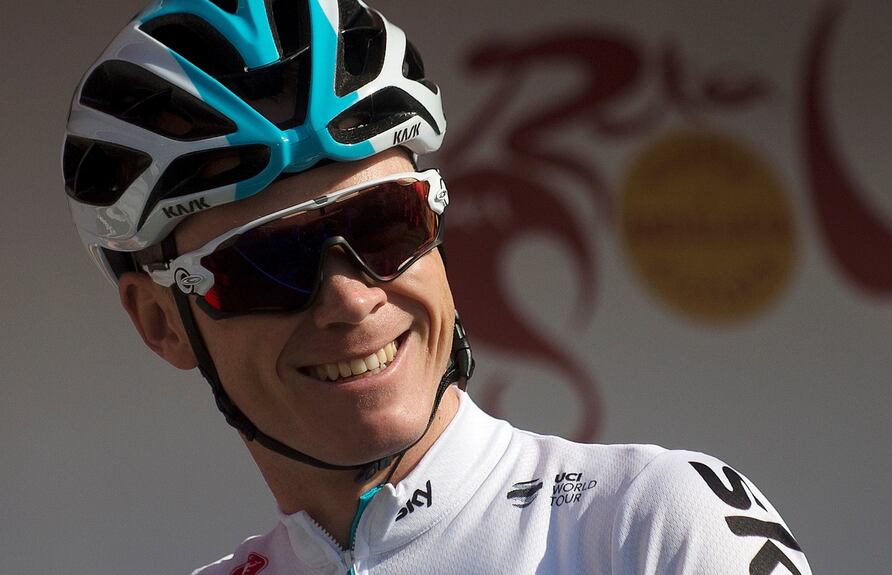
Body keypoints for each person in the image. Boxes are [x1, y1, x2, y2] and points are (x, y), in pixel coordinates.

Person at [62, 1, 813, 573]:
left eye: (386, 223)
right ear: (161, 321)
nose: (351, 298)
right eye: (270, 261)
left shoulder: (649, 526)